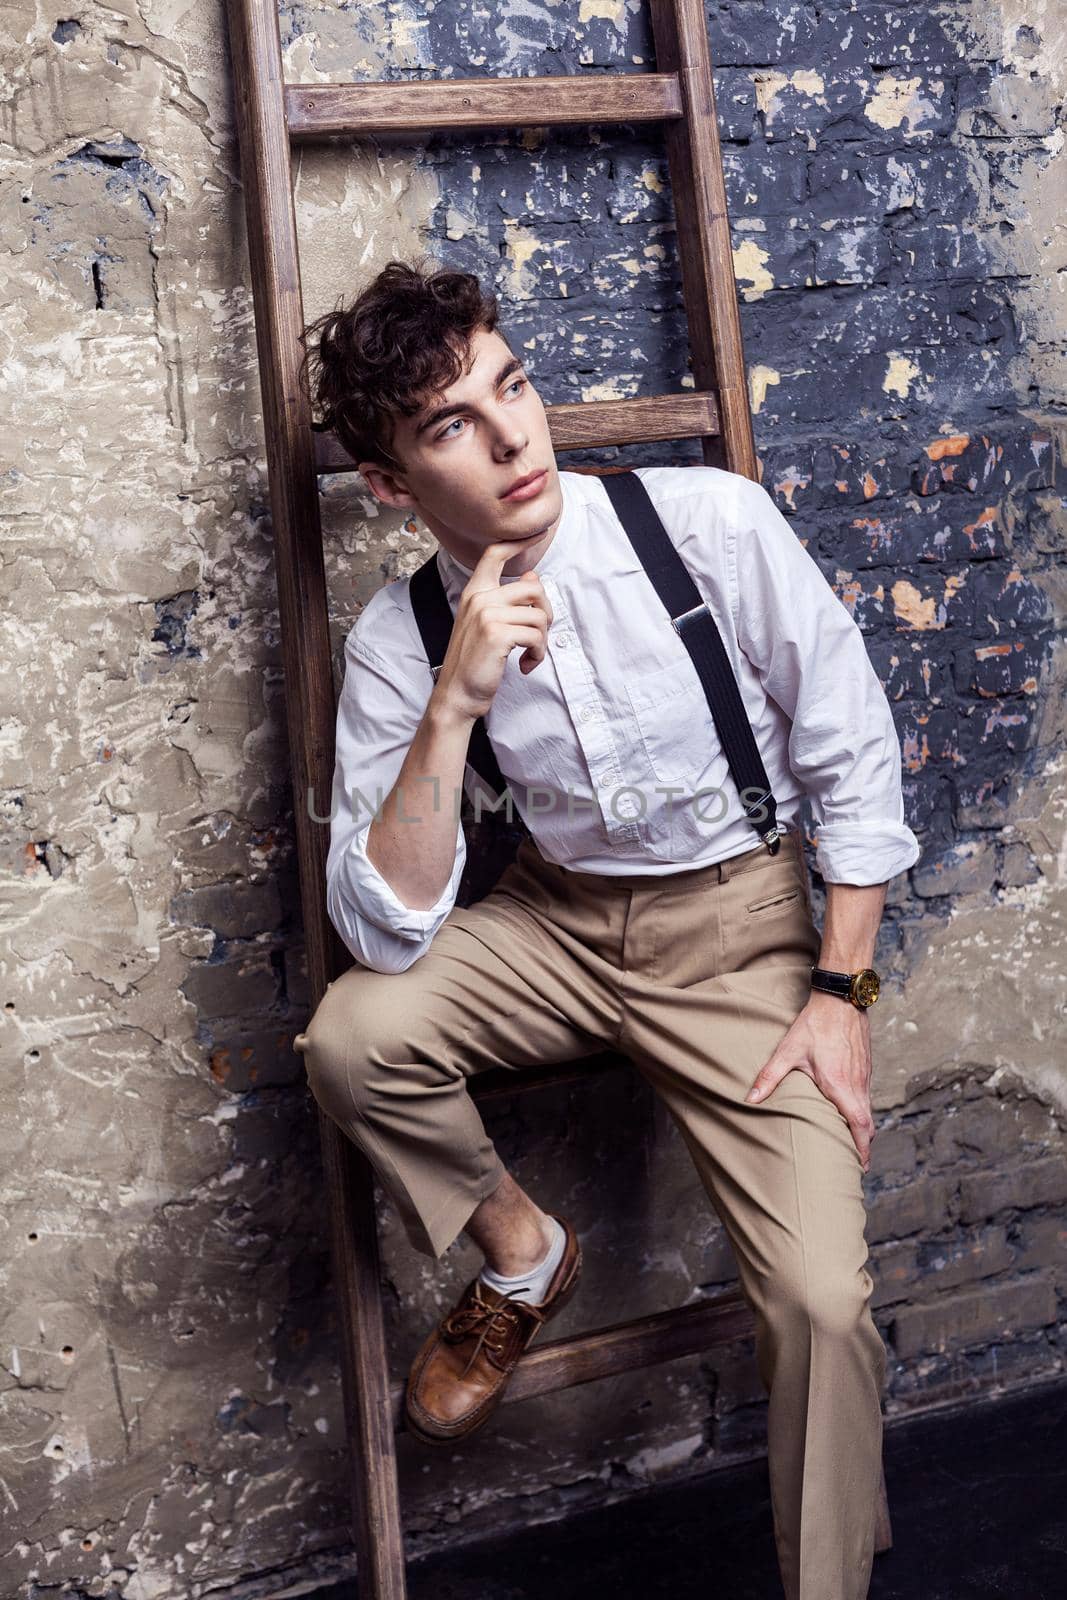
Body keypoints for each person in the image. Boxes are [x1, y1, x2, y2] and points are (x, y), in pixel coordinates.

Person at [293, 257, 920, 1600]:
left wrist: (842, 994)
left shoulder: (710, 525)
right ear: (394, 487)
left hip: (740, 930)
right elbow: (384, 931)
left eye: (511, 385)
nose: (516, 434)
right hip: (556, 925)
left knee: (822, 1305)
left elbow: (852, 751)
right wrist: (453, 705)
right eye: (453, 422)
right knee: (353, 1037)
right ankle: (525, 1255)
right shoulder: (401, 639)